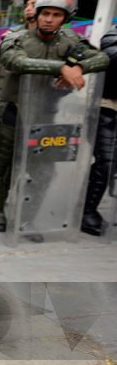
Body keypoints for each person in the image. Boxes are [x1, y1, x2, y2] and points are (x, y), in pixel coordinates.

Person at [0, 0, 109, 234]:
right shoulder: (17, 38)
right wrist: (62, 68)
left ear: (65, 18)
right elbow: (16, 62)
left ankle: (27, 217)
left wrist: (80, 66)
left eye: (55, 15)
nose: (48, 19)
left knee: (43, 171)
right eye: (45, 13)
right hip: (14, 111)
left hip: (46, 115)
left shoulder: (70, 41)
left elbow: (102, 58)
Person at [81, 25, 117, 235]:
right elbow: (110, 52)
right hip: (108, 107)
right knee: (106, 160)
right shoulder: (114, 32)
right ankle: (88, 210)